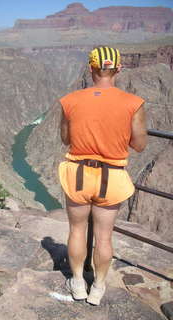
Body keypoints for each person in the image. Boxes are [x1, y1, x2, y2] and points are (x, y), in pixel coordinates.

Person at [58, 46, 147, 305]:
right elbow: (139, 145)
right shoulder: (134, 103)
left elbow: (66, 139)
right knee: (104, 236)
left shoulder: (70, 100)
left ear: (91, 68)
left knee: (76, 230)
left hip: (78, 175)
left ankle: (77, 282)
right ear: (119, 68)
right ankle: (97, 287)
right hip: (112, 176)